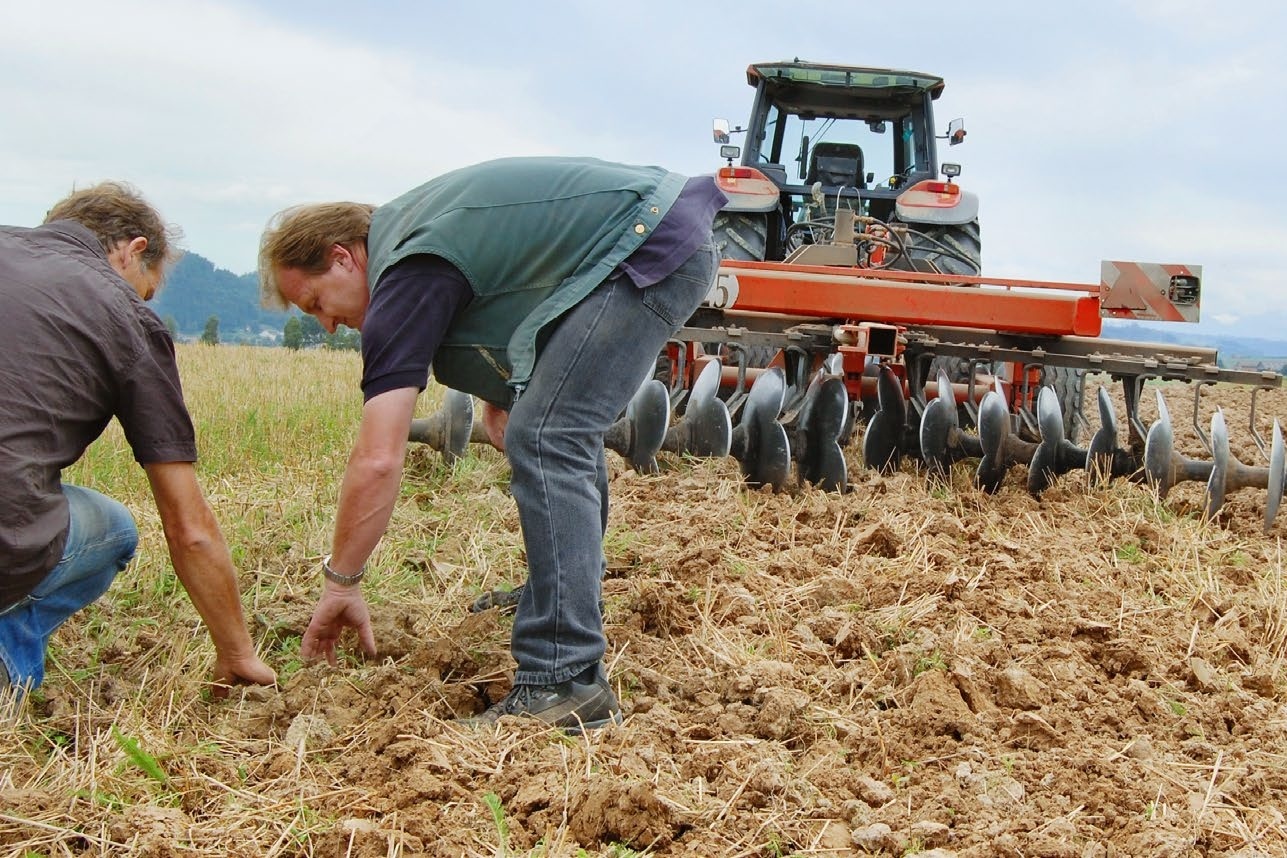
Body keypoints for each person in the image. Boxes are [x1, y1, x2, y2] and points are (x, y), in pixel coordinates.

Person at [259, 156, 726, 730]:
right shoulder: (415, 241)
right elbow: (518, 274)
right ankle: (560, 596)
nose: (326, 324)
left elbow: (379, 457)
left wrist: (342, 583)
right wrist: (504, 391)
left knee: (550, 434)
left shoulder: (406, 272)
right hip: (649, 234)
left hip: (647, 245)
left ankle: (563, 678)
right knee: (548, 427)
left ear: (341, 257)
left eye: (315, 304)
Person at [0, 182, 277, 701]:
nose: (143, 300)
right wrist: (237, 652)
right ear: (134, 251)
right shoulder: (122, 313)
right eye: (147, 288)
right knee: (115, 529)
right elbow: (187, 526)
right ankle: (6, 664)